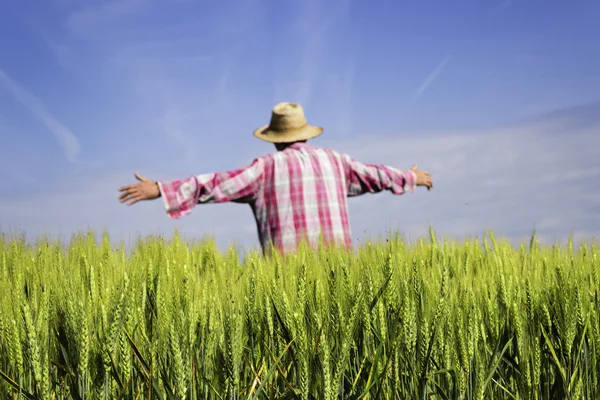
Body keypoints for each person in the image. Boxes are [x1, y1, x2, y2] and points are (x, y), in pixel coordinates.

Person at [118, 102, 433, 256]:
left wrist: (161, 189)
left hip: (285, 286)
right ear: (305, 134)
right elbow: (374, 176)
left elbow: (214, 184)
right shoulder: (336, 162)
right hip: (338, 279)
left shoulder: (263, 169)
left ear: (273, 138)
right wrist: (411, 176)